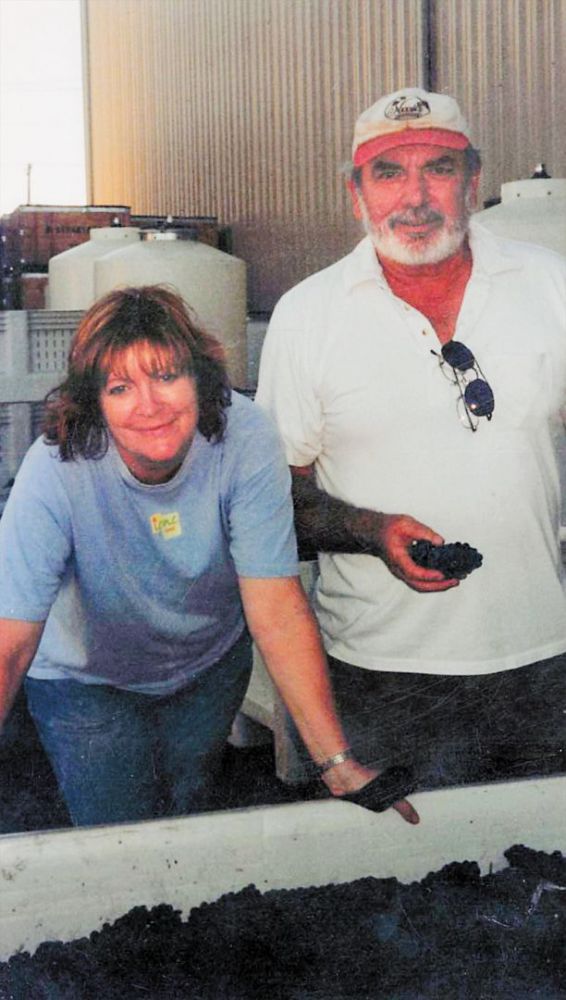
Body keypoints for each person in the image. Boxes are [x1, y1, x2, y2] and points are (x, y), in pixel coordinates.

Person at [0, 285, 420, 827]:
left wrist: (337, 764)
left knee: (188, 812)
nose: (149, 406)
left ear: (200, 378)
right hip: (87, 679)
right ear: (94, 403)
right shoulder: (55, 468)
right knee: (120, 831)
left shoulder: (244, 437)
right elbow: (10, 642)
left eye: (168, 376)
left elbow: (276, 608)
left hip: (205, 667)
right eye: (120, 387)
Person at [256, 87, 566, 792]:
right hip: (380, 674)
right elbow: (278, 501)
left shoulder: (550, 285)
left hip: (545, 659)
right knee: (402, 883)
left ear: (474, 182)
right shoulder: (309, 317)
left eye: (440, 168)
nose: (416, 196)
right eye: (389, 172)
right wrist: (371, 530)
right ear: (355, 193)